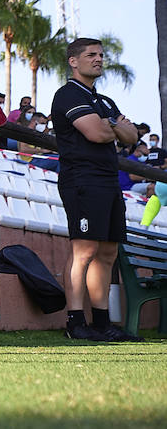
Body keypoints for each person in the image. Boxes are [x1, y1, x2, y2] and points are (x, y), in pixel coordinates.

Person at [50, 36, 143, 342]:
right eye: (91, 55)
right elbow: (97, 133)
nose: (99, 59)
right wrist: (114, 126)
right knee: (85, 250)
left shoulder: (104, 101)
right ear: (73, 61)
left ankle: (101, 323)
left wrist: (112, 124)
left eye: (101, 55)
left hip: (108, 181)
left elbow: (131, 137)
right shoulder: (67, 95)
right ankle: (75, 323)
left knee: (107, 252)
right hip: (82, 180)